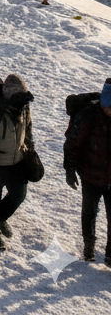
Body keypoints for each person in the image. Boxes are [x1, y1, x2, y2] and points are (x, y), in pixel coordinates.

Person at [0, 72, 35, 250]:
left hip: (16, 160)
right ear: (9, 95)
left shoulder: (23, 106)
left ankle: (0, 218)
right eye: (18, 96)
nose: (22, 100)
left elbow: (28, 130)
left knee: (19, 194)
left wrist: (30, 153)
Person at [64, 77, 111, 264]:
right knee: (89, 212)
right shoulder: (89, 115)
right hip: (90, 176)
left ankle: (110, 253)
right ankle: (89, 248)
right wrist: (69, 169)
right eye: (108, 107)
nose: (110, 111)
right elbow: (72, 143)